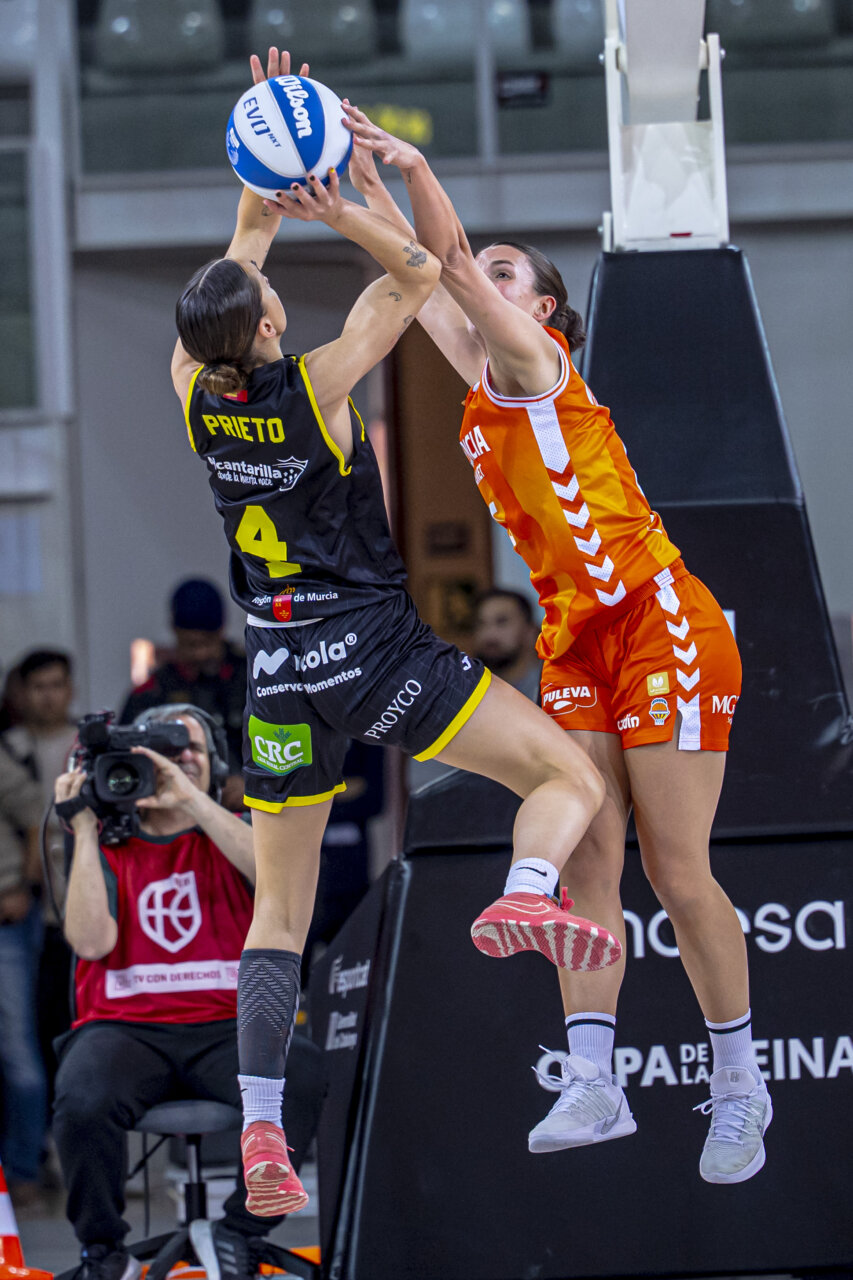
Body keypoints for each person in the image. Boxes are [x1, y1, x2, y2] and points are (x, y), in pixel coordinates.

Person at [171, 47, 620, 1217]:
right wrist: (327, 197)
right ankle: (530, 887)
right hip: (371, 652)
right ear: (268, 327)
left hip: (276, 676)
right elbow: (420, 270)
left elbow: (230, 275)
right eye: (267, 298)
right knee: (565, 774)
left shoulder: (188, 386)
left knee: (278, 911)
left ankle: (264, 1132)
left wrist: (257, 207)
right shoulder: (319, 381)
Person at [342, 108, 771, 1186]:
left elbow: (436, 260)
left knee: (676, 872)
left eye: (500, 270)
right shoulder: (478, 370)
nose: (473, 275)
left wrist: (413, 165)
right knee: (589, 859)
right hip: (577, 632)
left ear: (541, 309)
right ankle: (594, 1082)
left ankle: (738, 1084)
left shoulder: (537, 361)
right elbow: (419, 272)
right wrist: (335, 187)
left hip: (661, 616)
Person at [52, 705, 324, 1280]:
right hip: (125, 1028)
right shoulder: (105, 842)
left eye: (189, 748)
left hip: (229, 1026)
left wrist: (195, 802)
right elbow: (90, 942)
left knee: (302, 1072)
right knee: (81, 1095)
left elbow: (277, 876)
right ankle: (104, 1254)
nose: (176, 761)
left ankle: (239, 1232)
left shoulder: (234, 830)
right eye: (162, 751)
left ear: (217, 764)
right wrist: (81, 828)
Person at [2, 649, 78, 1123]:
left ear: (70, 688)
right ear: (22, 692)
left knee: (80, 1030)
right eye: (38, 687)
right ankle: (41, 1147)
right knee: (30, 1033)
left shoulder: (90, 744)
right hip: (31, 912)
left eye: (57, 685)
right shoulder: (9, 748)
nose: (48, 696)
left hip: (82, 912)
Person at [120, 579, 247, 810]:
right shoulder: (151, 693)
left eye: (207, 643)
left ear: (222, 630)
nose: (199, 654)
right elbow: (127, 760)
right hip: (177, 814)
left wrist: (255, 785)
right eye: (190, 644)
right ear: (174, 631)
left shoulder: (254, 678)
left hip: (253, 812)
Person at [0, 739, 48, 1212]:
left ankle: (24, 1170)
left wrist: (27, 887)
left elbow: (37, 815)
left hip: (5, 919)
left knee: (18, 1054)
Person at [473, 588, 542, 704]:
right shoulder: (470, 690)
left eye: (502, 622)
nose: (489, 634)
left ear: (531, 631)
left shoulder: (551, 689)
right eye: (481, 623)